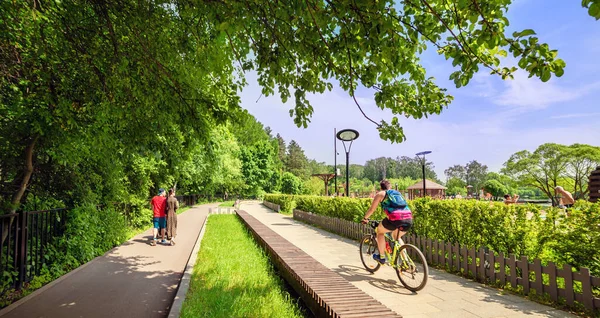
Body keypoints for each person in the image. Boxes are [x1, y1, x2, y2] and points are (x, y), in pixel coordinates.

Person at [361, 180, 413, 264]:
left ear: (381, 187)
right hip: (408, 217)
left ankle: (381, 257)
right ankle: (406, 262)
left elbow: (371, 209)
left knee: (379, 232)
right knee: (396, 237)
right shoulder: (397, 193)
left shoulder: (380, 194)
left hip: (395, 218)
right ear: (390, 187)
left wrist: (365, 218)